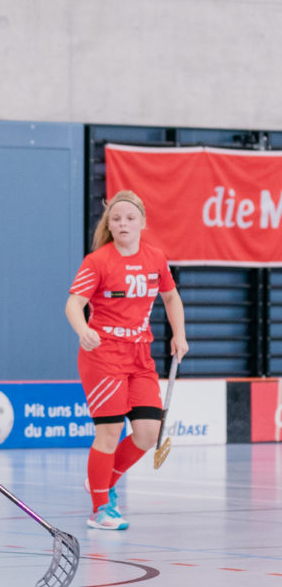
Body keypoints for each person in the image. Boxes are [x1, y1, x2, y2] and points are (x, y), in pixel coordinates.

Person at [66, 190, 187, 530]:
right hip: (102, 355)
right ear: (109, 224)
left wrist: (180, 334)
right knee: (110, 430)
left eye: (130, 218)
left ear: (142, 223)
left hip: (140, 356)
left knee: (149, 433)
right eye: (116, 218)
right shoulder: (98, 261)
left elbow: (171, 296)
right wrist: (82, 330)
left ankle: (102, 481)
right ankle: (100, 507)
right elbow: (74, 304)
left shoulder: (155, 259)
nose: (123, 223)